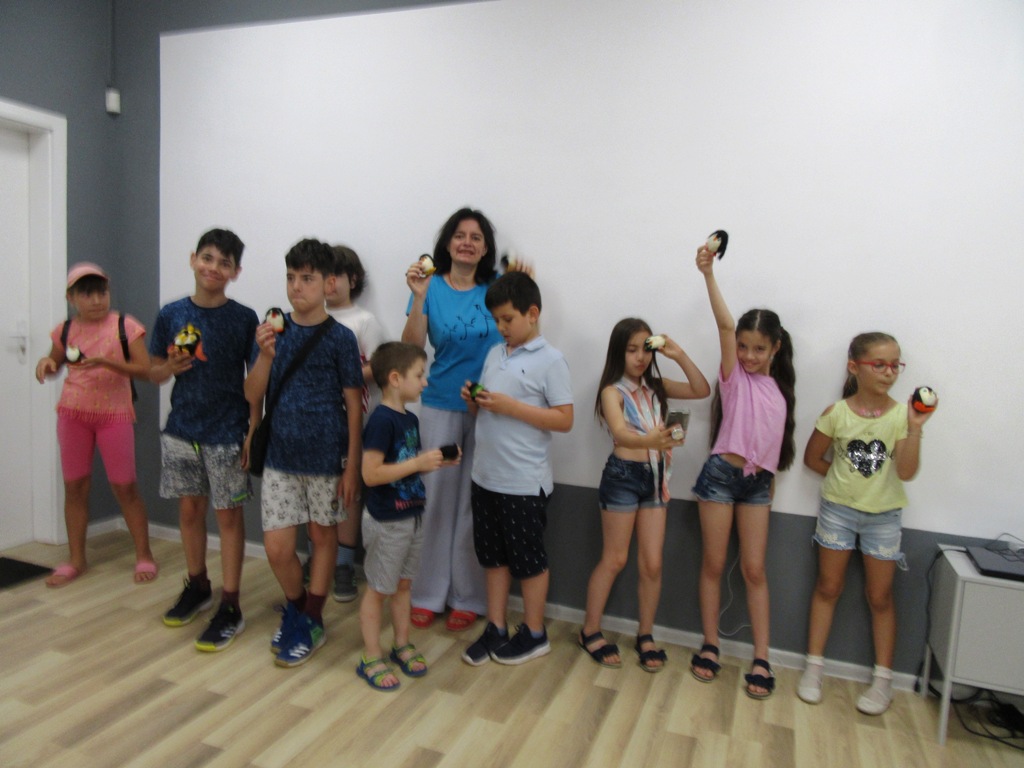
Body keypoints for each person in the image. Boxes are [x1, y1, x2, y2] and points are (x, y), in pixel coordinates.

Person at [797, 333, 934, 715]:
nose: (889, 372)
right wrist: (846, 482)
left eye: (895, 365)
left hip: (884, 517)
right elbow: (812, 458)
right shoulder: (836, 413)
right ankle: (813, 668)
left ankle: (883, 680)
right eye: (880, 364)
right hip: (838, 512)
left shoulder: (902, 417)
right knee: (828, 587)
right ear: (855, 367)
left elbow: (906, 472)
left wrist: (916, 426)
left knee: (880, 597)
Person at [245, 238, 363, 668]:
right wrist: (264, 355)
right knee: (278, 547)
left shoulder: (341, 338)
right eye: (291, 277)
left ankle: (311, 620)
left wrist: (352, 466)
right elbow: (252, 394)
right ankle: (298, 609)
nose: (297, 286)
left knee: (321, 537)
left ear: (328, 283)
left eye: (307, 278)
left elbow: (354, 404)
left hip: (327, 458)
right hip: (280, 456)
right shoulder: (273, 329)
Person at [689, 244, 796, 699]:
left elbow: (772, 449)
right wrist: (708, 274)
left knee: (754, 570)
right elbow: (725, 325)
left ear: (775, 348)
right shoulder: (733, 377)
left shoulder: (779, 391)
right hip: (719, 479)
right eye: (744, 347)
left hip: (758, 486)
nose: (749, 355)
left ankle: (762, 657)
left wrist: (766, 486)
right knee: (714, 564)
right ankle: (710, 644)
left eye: (759, 349)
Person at [149, 229, 259, 651]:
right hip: (182, 429)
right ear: (193, 258)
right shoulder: (171, 313)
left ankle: (230, 605)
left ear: (235, 272)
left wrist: (251, 432)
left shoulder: (244, 318)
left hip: (228, 431)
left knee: (228, 517)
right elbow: (154, 372)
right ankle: (198, 586)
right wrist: (170, 367)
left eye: (224, 263)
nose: (214, 268)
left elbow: (257, 384)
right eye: (208, 258)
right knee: (190, 511)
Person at [579, 318, 710, 671]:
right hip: (623, 476)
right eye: (631, 350)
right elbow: (620, 433)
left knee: (652, 563)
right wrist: (651, 440)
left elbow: (701, 390)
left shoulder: (656, 387)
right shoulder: (612, 391)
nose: (640, 358)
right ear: (618, 352)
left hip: (655, 477)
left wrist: (677, 354)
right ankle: (589, 630)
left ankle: (646, 634)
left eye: (645, 350)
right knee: (615, 559)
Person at [460, 271, 574, 666]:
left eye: (508, 319)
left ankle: (535, 632)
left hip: (523, 482)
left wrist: (511, 407)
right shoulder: (495, 354)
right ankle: (496, 626)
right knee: (492, 557)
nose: (501, 327)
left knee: (528, 560)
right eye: (496, 320)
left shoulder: (551, 360)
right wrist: (474, 400)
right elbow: (484, 412)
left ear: (532, 313)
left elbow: (564, 419)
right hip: (485, 476)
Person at [402, 208, 504, 632]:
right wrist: (418, 297)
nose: (467, 243)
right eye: (460, 235)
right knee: (435, 500)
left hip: (490, 407)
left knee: (475, 506)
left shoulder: (497, 289)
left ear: (485, 248)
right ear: (447, 243)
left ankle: (468, 597)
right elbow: (412, 350)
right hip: (440, 404)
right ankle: (426, 593)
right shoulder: (429, 288)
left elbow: (518, 335)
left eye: (476, 237)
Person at [35, 262, 156, 587]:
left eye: (101, 292)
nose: (96, 300)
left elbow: (145, 369)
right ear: (71, 298)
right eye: (87, 294)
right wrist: (45, 363)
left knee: (125, 487)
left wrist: (106, 362)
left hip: (115, 416)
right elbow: (54, 363)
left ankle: (144, 554)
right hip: (73, 415)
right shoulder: (64, 330)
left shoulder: (125, 326)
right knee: (75, 488)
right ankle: (76, 560)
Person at [356, 342, 459, 691]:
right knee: (378, 590)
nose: (425, 382)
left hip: (411, 517)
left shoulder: (410, 419)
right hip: (387, 522)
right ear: (396, 379)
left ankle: (401, 644)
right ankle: (371, 656)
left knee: (403, 586)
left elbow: (404, 469)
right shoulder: (381, 421)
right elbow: (371, 474)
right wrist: (417, 462)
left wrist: (433, 463)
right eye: (419, 375)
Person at [320, 245, 388, 603]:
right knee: (318, 489)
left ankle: (344, 563)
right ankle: (319, 557)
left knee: (348, 491)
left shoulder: (363, 321)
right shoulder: (311, 317)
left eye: (336, 276)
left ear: (353, 279)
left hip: (353, 421)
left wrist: (340, 377)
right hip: (315, 423)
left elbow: (378, 366)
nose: (329, 283)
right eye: (324, 275)